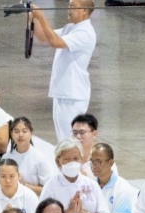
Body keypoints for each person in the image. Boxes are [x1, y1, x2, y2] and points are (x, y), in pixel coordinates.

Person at [29, 0, 97, 133]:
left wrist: (41, 15)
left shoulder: (86, 32)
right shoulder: (70, 28)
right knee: (63, 139)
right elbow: (44, 37)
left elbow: (55, 41)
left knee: (70, 138)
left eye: (72, 6)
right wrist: (32, 18)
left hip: (73, 95)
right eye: (69, 5)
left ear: (84, 10)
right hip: (62, 91)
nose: (68, 9)